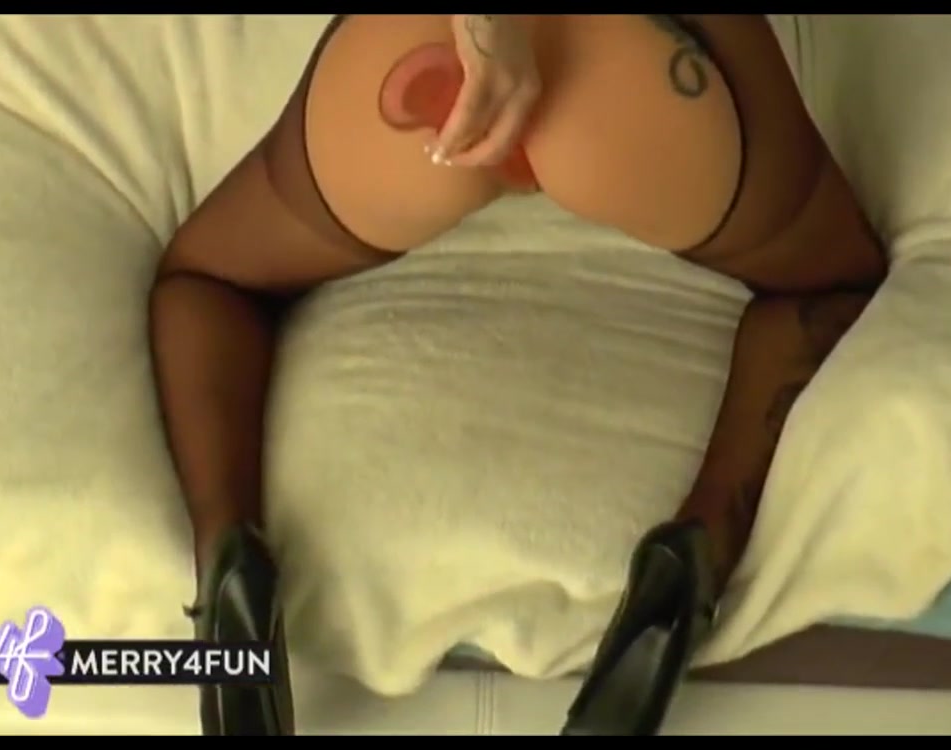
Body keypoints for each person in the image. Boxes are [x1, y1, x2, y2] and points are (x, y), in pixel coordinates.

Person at [149, 14, 885, 736]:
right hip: (636, 76)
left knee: (211, 278)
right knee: (831, 280)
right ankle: (692, 557)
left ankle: (230, 564)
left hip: (424, 65)